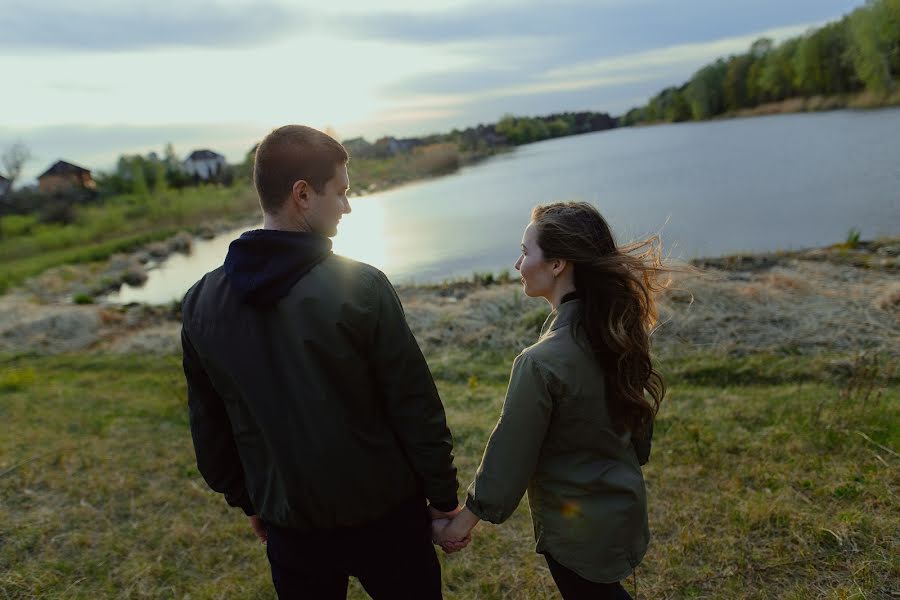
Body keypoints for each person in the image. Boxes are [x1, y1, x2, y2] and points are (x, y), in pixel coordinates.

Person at [181, 125, 461, 600]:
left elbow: (210, 429)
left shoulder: (200, 302)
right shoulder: (362, 287)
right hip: (387, 520)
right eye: (342, 192)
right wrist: (444, 497)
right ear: (303, 194)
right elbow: (414, 405)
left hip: (289, 526)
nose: (348, 207)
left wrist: (251, 499)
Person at [434, 202, 668, 600]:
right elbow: (638, 439)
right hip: (623, 512)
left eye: (525, 252)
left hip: (577, 534)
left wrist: (458, 525)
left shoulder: (539, 363)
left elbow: (510, 456)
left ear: (558, 263)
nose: (517, 264)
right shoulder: (618, 335)